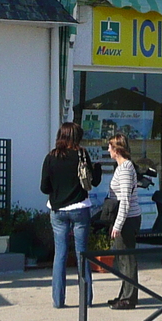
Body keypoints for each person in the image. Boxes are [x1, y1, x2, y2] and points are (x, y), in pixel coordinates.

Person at [41, 122, 92, 309]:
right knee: (82, 253)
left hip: (58, 210)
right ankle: (85, 300)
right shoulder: (82, 155)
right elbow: (91, 180)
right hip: (80, 207)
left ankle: (58, 300)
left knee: (60, 254)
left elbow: (43, 187)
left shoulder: (51, 157)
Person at [105, 133, 142, 310]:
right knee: (122, 258)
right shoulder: (121, 167)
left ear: (117, 149)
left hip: (128, 218)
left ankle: (129, 298)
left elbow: (125, 199)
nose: (108, 150)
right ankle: (124, 294)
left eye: (110, 147)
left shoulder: (126, 168)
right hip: (124, 217)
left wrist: (118, 225)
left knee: (127, 259)